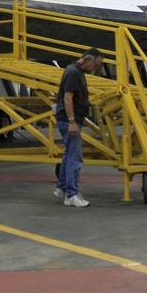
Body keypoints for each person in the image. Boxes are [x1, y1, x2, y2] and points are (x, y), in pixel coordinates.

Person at [54, 51, 101, 207]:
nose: (94, 68)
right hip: (69, 121)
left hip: (68, 119)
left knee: (69, 155)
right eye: (94, 65)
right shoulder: (73, 72)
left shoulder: (76, 71)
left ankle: (62, 188)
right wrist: (72, 121)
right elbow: (68, 98)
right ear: (87, 60)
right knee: (75, 157)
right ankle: (71, 195)